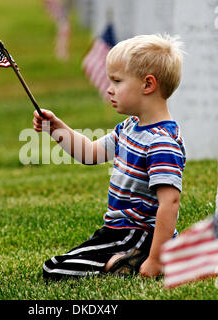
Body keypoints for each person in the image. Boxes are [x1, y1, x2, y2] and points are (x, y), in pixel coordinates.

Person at [33, 34, 186, 280]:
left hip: (138, 234)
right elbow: (90, 153)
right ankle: (120, 261)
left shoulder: (161, 143)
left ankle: (128, 263)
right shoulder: (129, 127)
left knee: (54, 269)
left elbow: (170, 203)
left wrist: (156, 260)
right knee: (63, 263)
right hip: (115, 231)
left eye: (116, 81)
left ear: (148, 85)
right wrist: (56, 128)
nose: (109, 89)